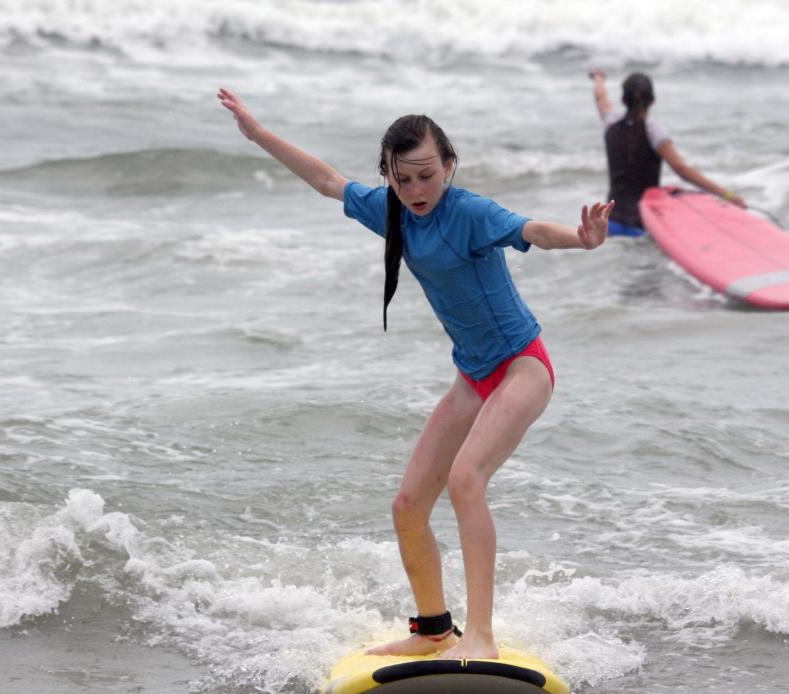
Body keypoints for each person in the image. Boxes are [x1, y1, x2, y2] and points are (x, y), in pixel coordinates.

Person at [218, 87, 614, 661]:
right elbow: (328, 181)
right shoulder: (393, 213)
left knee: (465, 480)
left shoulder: (471, 213)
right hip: (471, 377)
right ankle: (433, 630)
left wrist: (581, 239)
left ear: (448, 166)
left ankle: (481, 637)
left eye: (426, 175)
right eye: (402, 179)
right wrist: (258, 135)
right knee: (408, 505)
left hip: (522, 367)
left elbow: (532, 232)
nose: (416, 190)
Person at [589, 70, 744, 237]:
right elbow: (682, 169)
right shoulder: (654, 132)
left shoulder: (611, 123)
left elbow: (601, 98)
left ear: (622, 99)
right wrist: (726, 195)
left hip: (611, 224)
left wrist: (598, 78)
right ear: (653, 101)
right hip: (643, 225)